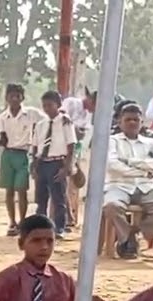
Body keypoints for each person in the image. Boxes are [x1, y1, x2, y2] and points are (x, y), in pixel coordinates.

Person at [102, 104, 153, 259]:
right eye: (128, 119)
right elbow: (112, 165)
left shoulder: (151, 142)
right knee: (111, 206)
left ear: (141, 122)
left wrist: (132, 161)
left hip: (147, 186)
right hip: (119, 185)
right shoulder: (112, 141)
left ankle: (134, 233)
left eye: (136, 120)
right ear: (119, 122)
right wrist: (145, 170)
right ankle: (126, 239)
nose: (132, 123)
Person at [0, 84, 42, 235]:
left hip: (23, 154)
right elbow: (4, 140)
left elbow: (48, 119)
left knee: (21, 189)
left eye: (17, 96)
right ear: (6, 98)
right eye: (11, 96)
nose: (14, 99)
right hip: (8, 154)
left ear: (23, 97)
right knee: (9, 190)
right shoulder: (2, 117)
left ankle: (22, 221)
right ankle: (12, 222)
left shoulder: (31, 114)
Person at [33, 90, 77, 238]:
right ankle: (40, 225)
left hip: (57, 162)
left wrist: (67, 167)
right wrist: (34, 165)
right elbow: (35, 146)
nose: (47, 108)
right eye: (44, 105)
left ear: (58, 105)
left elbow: (71, 146)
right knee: (41, 197)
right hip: (42, 162)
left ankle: (59, 227)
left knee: (58, 197)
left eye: (50, 105)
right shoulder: (40, 124)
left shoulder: (65, 122)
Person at [61, 88, 96, 230]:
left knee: (72, 185)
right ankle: (67, 215)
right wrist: (74, 129)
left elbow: (83, 131)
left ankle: (70, 215)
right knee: (62, 182)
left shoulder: (87, 114)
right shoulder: (72, 102)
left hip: (76, 147)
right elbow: (62, 117)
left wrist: (78, 132)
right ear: (91, 100)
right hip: (62, 145)